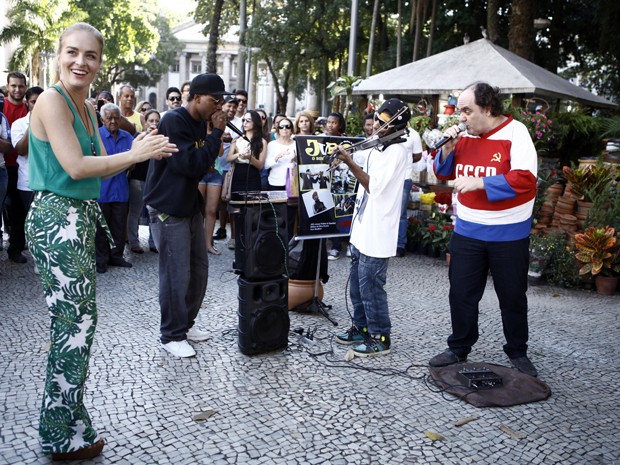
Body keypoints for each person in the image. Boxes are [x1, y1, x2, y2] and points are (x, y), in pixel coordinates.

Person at [24, 22, 177, 460]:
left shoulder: (88, 106)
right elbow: (74, 167)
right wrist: (135, 154)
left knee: (79, 326)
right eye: (72, 52)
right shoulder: (53, 100)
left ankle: (70, 419)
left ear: (99, 63)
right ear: (58, 55)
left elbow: (100, 165)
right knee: (73, 328)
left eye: (90, 55)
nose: (80, 62)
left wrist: (135, 150)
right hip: (56, 219)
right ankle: (58, 432)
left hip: (78, 219)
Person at [428, 82, 539, 377]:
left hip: (508, 234)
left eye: (467, 110)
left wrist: (482, 183)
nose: (461, 117)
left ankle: (517, 350)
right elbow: (442, 172)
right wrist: (448, 147)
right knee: (462, 293)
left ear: (487, 109)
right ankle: (459, 347)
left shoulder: (516, 133)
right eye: (460, 111)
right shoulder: (463, 137)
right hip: (468, 231)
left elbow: (526, 179)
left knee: (512, 295)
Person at [144, 73, 230, 358]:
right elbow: (190, 164)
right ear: (195, 97)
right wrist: (215, 134)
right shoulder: (173, 120)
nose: (219, 107)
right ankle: (171, 334)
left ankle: (186, 323)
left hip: (188, 204)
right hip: (168, 208)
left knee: (198, 270)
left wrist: (210, 140)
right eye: (214, 100)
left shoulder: (197, 124)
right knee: (175, 275)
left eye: (221, 101)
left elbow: (203, 163)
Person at [333, 98, 410, 356]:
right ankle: (361, 328)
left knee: (371, 287)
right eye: (376, 117)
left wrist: (349, 162)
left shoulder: (397, 151)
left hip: (378, 233)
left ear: (395, 125)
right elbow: (357, 154)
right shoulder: (379, 146)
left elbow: (372, 185)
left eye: (381, 121)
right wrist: (343, 155)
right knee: (356, 284)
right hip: (362, 230)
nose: (375, 123)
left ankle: (380, 336)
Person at [95, 103, 133, 272]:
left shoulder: (127, 137)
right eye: (109, 118)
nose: (113, 121)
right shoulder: (96, 136)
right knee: (101, 228)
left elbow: (133, 160)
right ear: (102, 120)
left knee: (119, 226)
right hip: (102, 190)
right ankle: (101, 259)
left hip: (121, 189)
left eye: (116, 117)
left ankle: (116, 256)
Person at [127, 109, 160, 254]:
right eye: (151, 121)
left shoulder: (162, 138)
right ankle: (133, 241)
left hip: (155, 181)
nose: (154, 124)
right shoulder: (139, 137)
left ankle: (154, 242)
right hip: (138, 179)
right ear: (145, 122)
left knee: (155, 213)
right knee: (135, 212)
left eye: (156, 121)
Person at [3, 71, 28, 263]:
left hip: (21, 168)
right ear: (7, 86)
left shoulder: (30, 109)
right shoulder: (1, 107)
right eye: (14, 86)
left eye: (21, 86)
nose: (17, 89)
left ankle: (16, 248)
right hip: (3, 166)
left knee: (19, 210)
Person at [265, 116, 297, 238]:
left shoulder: (296, 144)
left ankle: (287, 249)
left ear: (291, 129)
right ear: (277, 129)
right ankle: (276, 247)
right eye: (281, 126)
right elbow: (266, 166)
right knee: (275, 217)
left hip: (292, 185)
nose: (284, 129)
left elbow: (302, 165)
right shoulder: (272, 144)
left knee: (289, 218)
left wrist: (295, 160)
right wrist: (277, 157)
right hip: (275, 183)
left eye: (287, 126)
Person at [213, 96, 239, 244]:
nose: (231, 109)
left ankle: (234, 235)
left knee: (232, 201)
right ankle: (222, 228)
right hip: (218, 166)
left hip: (232, 167)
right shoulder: (218, 120)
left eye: (234, 107)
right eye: (229, 106)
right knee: (220, 202)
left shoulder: (239, 124)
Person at [396, 121, 423, 257]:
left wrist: (403, 162)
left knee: (401, 212)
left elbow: (418, 155)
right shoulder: (387, 132)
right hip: (387, 178)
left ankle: (400, 245)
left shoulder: (413, 134)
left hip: (404, 177)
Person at [323, 111, 347, 260]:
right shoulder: (320, 139)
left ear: (340, 125)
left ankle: (337, 246)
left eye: (334, 122)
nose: (331, 125)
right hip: (322, 181)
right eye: (329, 122)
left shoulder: (345, 140)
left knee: (338, 214)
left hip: (339, 183)